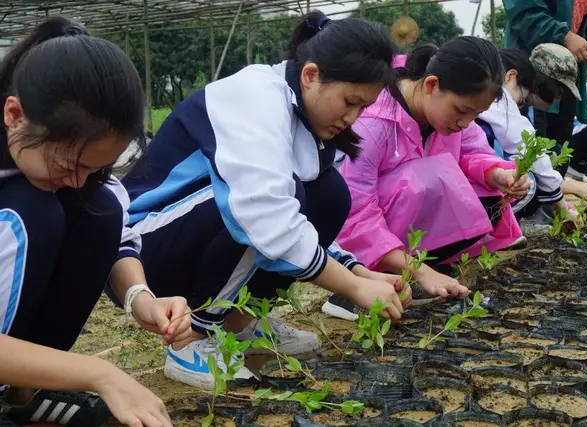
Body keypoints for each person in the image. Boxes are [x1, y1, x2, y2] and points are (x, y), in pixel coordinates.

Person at [121, 10, 411, 390]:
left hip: (198, 233)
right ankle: (193, 338)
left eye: (362, 108)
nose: (353, 118)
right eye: (349, 102)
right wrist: (353, 290)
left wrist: (358, 271)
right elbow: (265, 215)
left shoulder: (304, 117)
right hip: (150, 240)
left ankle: (240, 326)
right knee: (255, 210)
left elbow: (298, 220)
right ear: (311, 75)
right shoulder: (257, 95)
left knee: (329, 195)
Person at [0, 17, 192, 427]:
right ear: (14, 114)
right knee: (32, 211)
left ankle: (21, 393)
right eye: (71, 164)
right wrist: (100, 374)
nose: (78, 179)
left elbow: (117, 234)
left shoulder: (71, 174)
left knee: (96, 209)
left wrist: (141, 297)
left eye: (96, 167)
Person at [322, 38, 531, 321]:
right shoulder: (373, 122)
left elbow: (472, 151)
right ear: (432, 85)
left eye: (475, 115)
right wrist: (420, 269)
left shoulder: (452, 116)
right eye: (460, 111)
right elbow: (356, 212)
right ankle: (360, 284)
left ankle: (418, 271)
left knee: (489, 200)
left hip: (402, 224)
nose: (465, 123)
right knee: (429, 180)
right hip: (353, 234)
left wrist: (497, 174)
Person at [503, 0, 587, 178]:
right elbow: (524, 12)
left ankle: (552, 196)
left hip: (567, 72)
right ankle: (530, 194)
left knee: (559, 141)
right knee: (531, 137)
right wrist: (565, 36)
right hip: (535, 66)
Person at [477, 45, 581, 237]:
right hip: (477, 193)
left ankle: (511, 223)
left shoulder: (509, 101)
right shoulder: (501, 101)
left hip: (476, 181)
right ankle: (497, 229)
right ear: (510, 76)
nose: (558, 98)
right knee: (529, 181)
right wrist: (562, 205)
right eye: (557, 90)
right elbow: (533, 154)